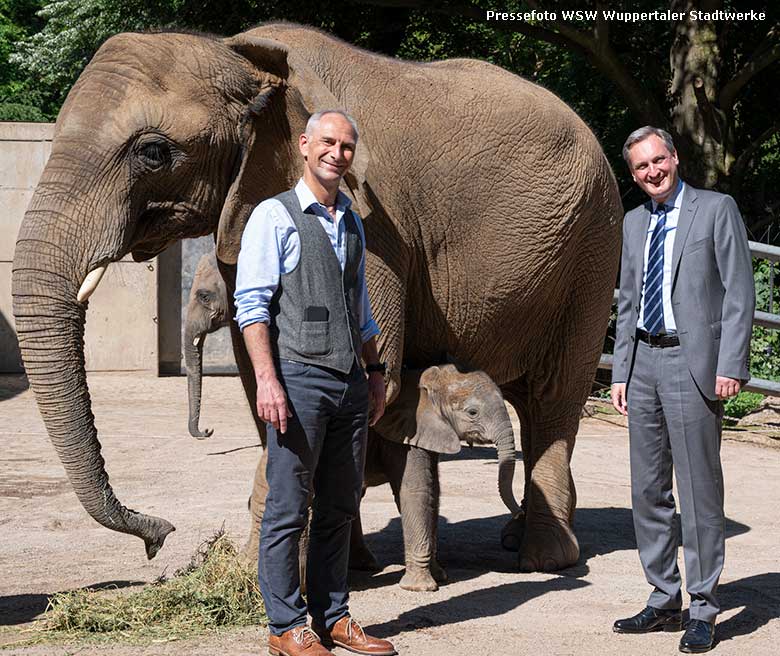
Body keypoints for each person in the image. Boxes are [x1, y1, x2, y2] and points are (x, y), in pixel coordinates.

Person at [235, 109, 397, 656]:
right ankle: (285, 624)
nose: (337, 153)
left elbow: (362, 309)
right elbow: (251, 305)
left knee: (340, 505)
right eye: (327, 142)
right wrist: (267, 380)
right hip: (298, 378)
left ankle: (333, 617)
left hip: (350, 381)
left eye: (347, 146)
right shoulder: (273, 216)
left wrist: (374, 374)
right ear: (305, 145)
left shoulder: (351, 219)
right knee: (287, 506)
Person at [611, 126, 754, 654]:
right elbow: (628, 300)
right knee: (647, 490)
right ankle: (663, 597)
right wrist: (620, 372)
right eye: (641, 167)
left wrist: (731, 363)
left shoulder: (716, 210)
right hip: (643, 361)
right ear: (634, 175)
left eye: (658, 160)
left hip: (694, 363)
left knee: (698, 492)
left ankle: (704, 606)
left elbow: (740, 292)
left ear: (674, 157)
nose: (652, 172)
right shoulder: (631, 224)